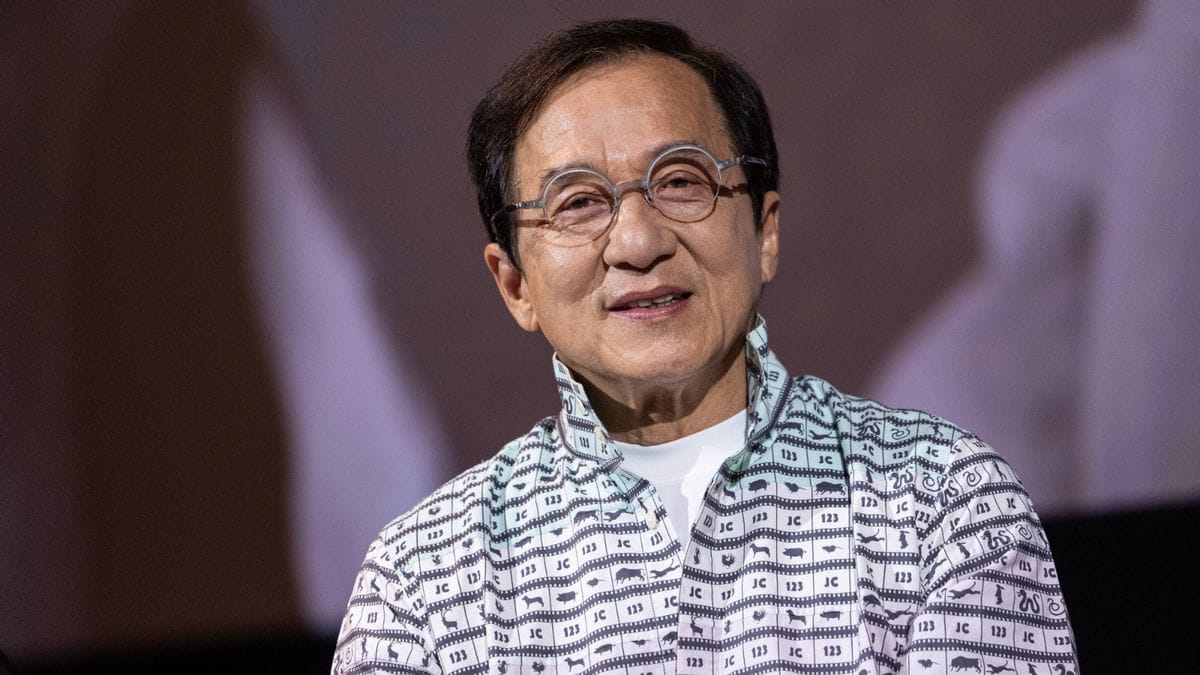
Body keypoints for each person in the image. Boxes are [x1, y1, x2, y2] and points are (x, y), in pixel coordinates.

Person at [333, 18, 1076, 674]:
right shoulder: (425, 580)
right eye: (579, 202)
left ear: (766, 230)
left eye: (681, 182)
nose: (638, 240)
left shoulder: (941, 501)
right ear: (514, 283)